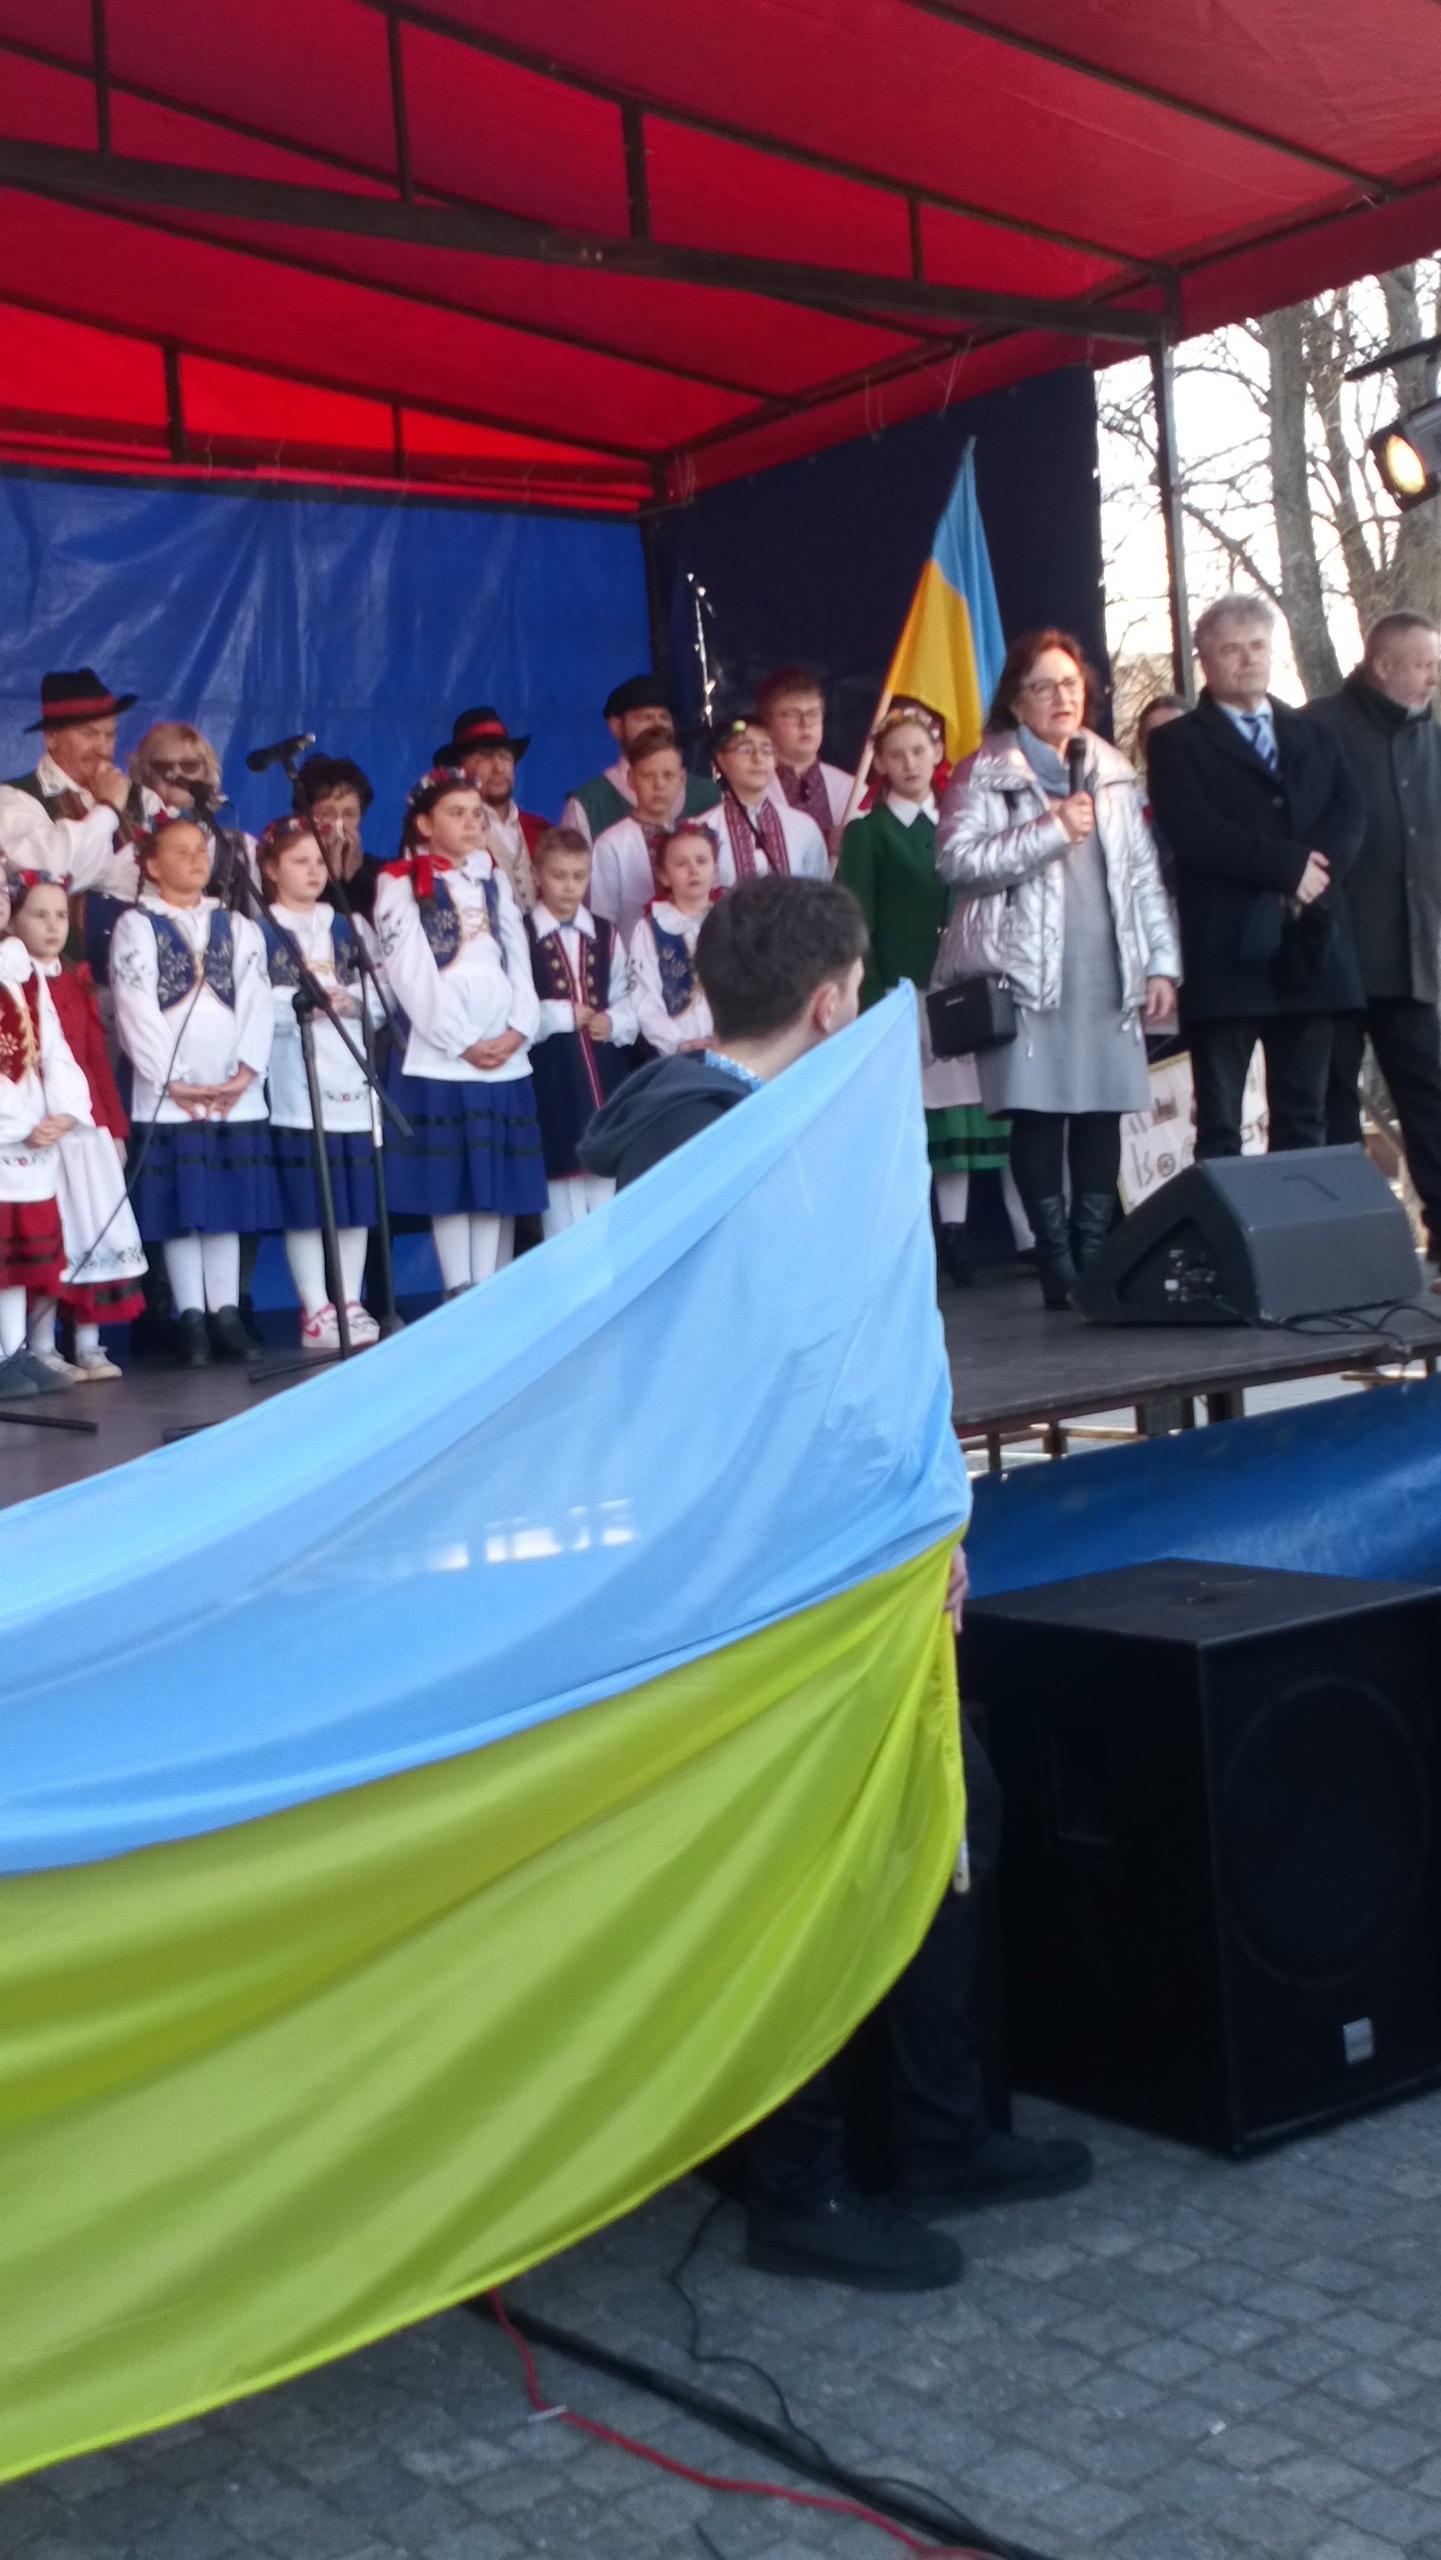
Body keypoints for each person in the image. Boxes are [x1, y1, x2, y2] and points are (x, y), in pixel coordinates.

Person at [581, 875, 1091, 2291]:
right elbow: (780, 1374)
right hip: (771, 1565)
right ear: (827, 1003)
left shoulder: (738, 1131)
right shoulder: (719, 1146)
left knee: (948, 1805)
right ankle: (798, 2182)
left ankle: (941, 2128)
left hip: (835, 1542)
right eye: (859, 994)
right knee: (802, 1858)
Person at [937, 631, 1180, 1309]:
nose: (1060, 697)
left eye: (1070, 684)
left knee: (1103, 1109)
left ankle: (1093, 1255)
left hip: (1106, 965)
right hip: (1024, 969)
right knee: (1038, 1112)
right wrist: (1051, 830)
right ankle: (1055, 1262)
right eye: (1043, 686)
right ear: (1016, 701)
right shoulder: (982, 772)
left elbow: (1142, 879)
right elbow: (956, 862)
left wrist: (1161, 964)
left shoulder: (1112, 769)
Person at [1146, 594, 1366, 1160]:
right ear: (1204, 661)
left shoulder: (1315, 734)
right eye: (1231, 650)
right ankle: (1225, 1224)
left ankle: (1301, 1221)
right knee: (1220, 1123)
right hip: (1227, 952)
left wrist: (1316, 874)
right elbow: (1195, 831)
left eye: (1257, 646)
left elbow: (1349, 815)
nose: (1247, 659)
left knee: (1305, 1118)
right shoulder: (1176, 742)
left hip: (1310, 947)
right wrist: (1289, 868)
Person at [839, 707, 1025, 1289]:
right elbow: (857, 924)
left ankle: (1030, 1234)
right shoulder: (869, 833)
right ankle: (952, 1234)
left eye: (918, 751)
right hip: (912, 995)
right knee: (941, 1121)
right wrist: (876, 1002)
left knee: (997, 1109)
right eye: (896, 755)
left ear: (938, 752)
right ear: (881, 763)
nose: (909, 763)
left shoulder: (962, 823)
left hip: (976, 988)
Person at [110, 816, 278, 1367]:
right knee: (184, 1208)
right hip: (169, 1094)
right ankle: (191, 1317)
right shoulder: (138, 925)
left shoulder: (238, 925)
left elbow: (257, 999)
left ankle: (225, 1312)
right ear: (153, 866)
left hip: (234, 1091)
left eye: (199, 850)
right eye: (179, 852)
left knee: (224, 1205)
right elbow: (135, 1006)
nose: (195, 859)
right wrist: (173, 1079)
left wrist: (244, 1073)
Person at [374, 771, 546, 1296]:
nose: (471, 823)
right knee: (450, 1179)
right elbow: (409, 970)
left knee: (492, 1172)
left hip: (503, 1049)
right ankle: (458, 1284)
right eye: (456, 813)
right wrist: (460, 1039)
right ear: (425, 824)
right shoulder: (400, 881)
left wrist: (520, 1027)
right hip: (444, 1052)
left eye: (477, 814)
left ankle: (488, 1285)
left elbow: (518, 956)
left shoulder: (493, 878)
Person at [1306, 613, 1441, 1262]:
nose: (1433, 678)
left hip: (1412, 957)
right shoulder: (1317, 728)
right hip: (1334, 954)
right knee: (1329, 1103)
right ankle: (1342, 1245)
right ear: (1382, 666)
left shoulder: (1432, 739)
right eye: (1423, 665)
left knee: (1430, 1097)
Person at [8, 874, 145, 1382]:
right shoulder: (15, 981)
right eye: (39, 915)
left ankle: (89, 1343)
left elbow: (93, 1060)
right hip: (35, 1132)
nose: (52, 926)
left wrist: (113, 1127)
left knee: (92, 1228)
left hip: (83, 1130)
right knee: (50, 1237)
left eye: (61, 915)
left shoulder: (74, 979)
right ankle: (41, 1347)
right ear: (14, 921)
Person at [256, 816, 383, 1353]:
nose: (313, 872)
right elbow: (251, 1003)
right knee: (309, 1202)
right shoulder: (260, 930)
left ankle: (350, 1298)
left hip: (349, 1073)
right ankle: (315, 1306)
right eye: (299, 862)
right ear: (271, 869)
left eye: (319, 861)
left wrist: (355, 1003)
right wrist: (299, 1005)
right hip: (295, 1078)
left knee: (353, 1201)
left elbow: (383, 994)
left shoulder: (348, 926)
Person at [0, 898, 96, 1398]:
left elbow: (54, 1048)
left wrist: (65, 1110)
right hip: (9, 1129)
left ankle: (13, 1349)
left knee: (15, 1262)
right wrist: (18, 1122)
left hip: (30, 1132)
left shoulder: (22, 970)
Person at [524, 827, 636, 1238]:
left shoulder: (605, 933)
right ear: (537, 875)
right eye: (559, 876)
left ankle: (607, 1265)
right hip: (551, 1073)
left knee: (605, 1176)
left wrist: (615, 1022)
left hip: (603, 1072)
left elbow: (627, 994)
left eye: (579, 876)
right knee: (560, 1180)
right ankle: (566, 1266)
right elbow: (513, 1007)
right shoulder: (521, 933)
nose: (570, 886)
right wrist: (558, 1016)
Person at [0, 667, 156, 897]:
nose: (103, 748)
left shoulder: (143, 798)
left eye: (109, 735)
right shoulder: (14, 799)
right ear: (51, 737)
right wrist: (108, 808)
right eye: (89, 734)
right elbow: (54, 873)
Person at [561, 675, 719, 846]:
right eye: (646, 718)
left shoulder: (710, 796)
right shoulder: (588, 804)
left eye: (664, 717)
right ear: (617, 726)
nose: (657, 724)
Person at [590, 727, 696, 947]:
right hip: (633, 960)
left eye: (668, 775)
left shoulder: (695, 839)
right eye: (648, 776)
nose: (659, 785)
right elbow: (603, 921)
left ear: (682, 779)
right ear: (631, 779)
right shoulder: (611, 844)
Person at [435, 708, 547, 913]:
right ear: (460, 768)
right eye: (485, 757)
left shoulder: (543, 831)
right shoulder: (445, 836)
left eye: (505, 756)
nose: (498, 767)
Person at [710, 714, 830, 892]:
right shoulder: (706, 828)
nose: (758, 759)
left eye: (766, 750)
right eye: (746, 750)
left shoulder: (804, 827)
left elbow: (819, 894)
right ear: (722, 760)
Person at [628, 823, 718, 1056]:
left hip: (735, 1044)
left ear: (715, 870)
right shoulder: (650, 929)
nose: (693, 869)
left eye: (701, 861)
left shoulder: (733, 921)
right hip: (682, 1050)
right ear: (664, 876)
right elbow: (645, 999)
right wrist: (677, 1043)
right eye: (681, 863)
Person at [758, 663, 854, 851]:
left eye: (813, 714)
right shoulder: (749, 791)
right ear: (766, 724)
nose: (805, 724)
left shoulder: (851, 789)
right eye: (792, 715)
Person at [292, 754, 383, 923]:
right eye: (327, 814)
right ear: (304, 818)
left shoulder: (381, 874)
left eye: (349, 814)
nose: (339, 823)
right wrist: (328, 880)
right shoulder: (289, 871)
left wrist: (357, 876)